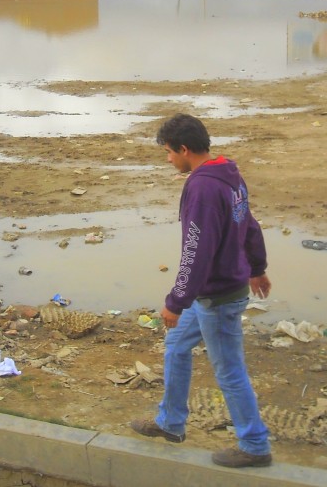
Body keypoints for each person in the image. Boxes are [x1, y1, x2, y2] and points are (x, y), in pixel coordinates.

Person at [130, 113, 272, 468]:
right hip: (215, 289)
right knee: (177, 347)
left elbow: (197, 250)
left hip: (218, 295)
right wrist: (257, 267)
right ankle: (171, 423)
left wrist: (176, 302)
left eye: (168, 153)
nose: (168, 160)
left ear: (183, 148)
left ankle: (254, 445)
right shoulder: (228, 172)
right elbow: (249, 223)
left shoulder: (203, 187)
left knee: (229, 371)